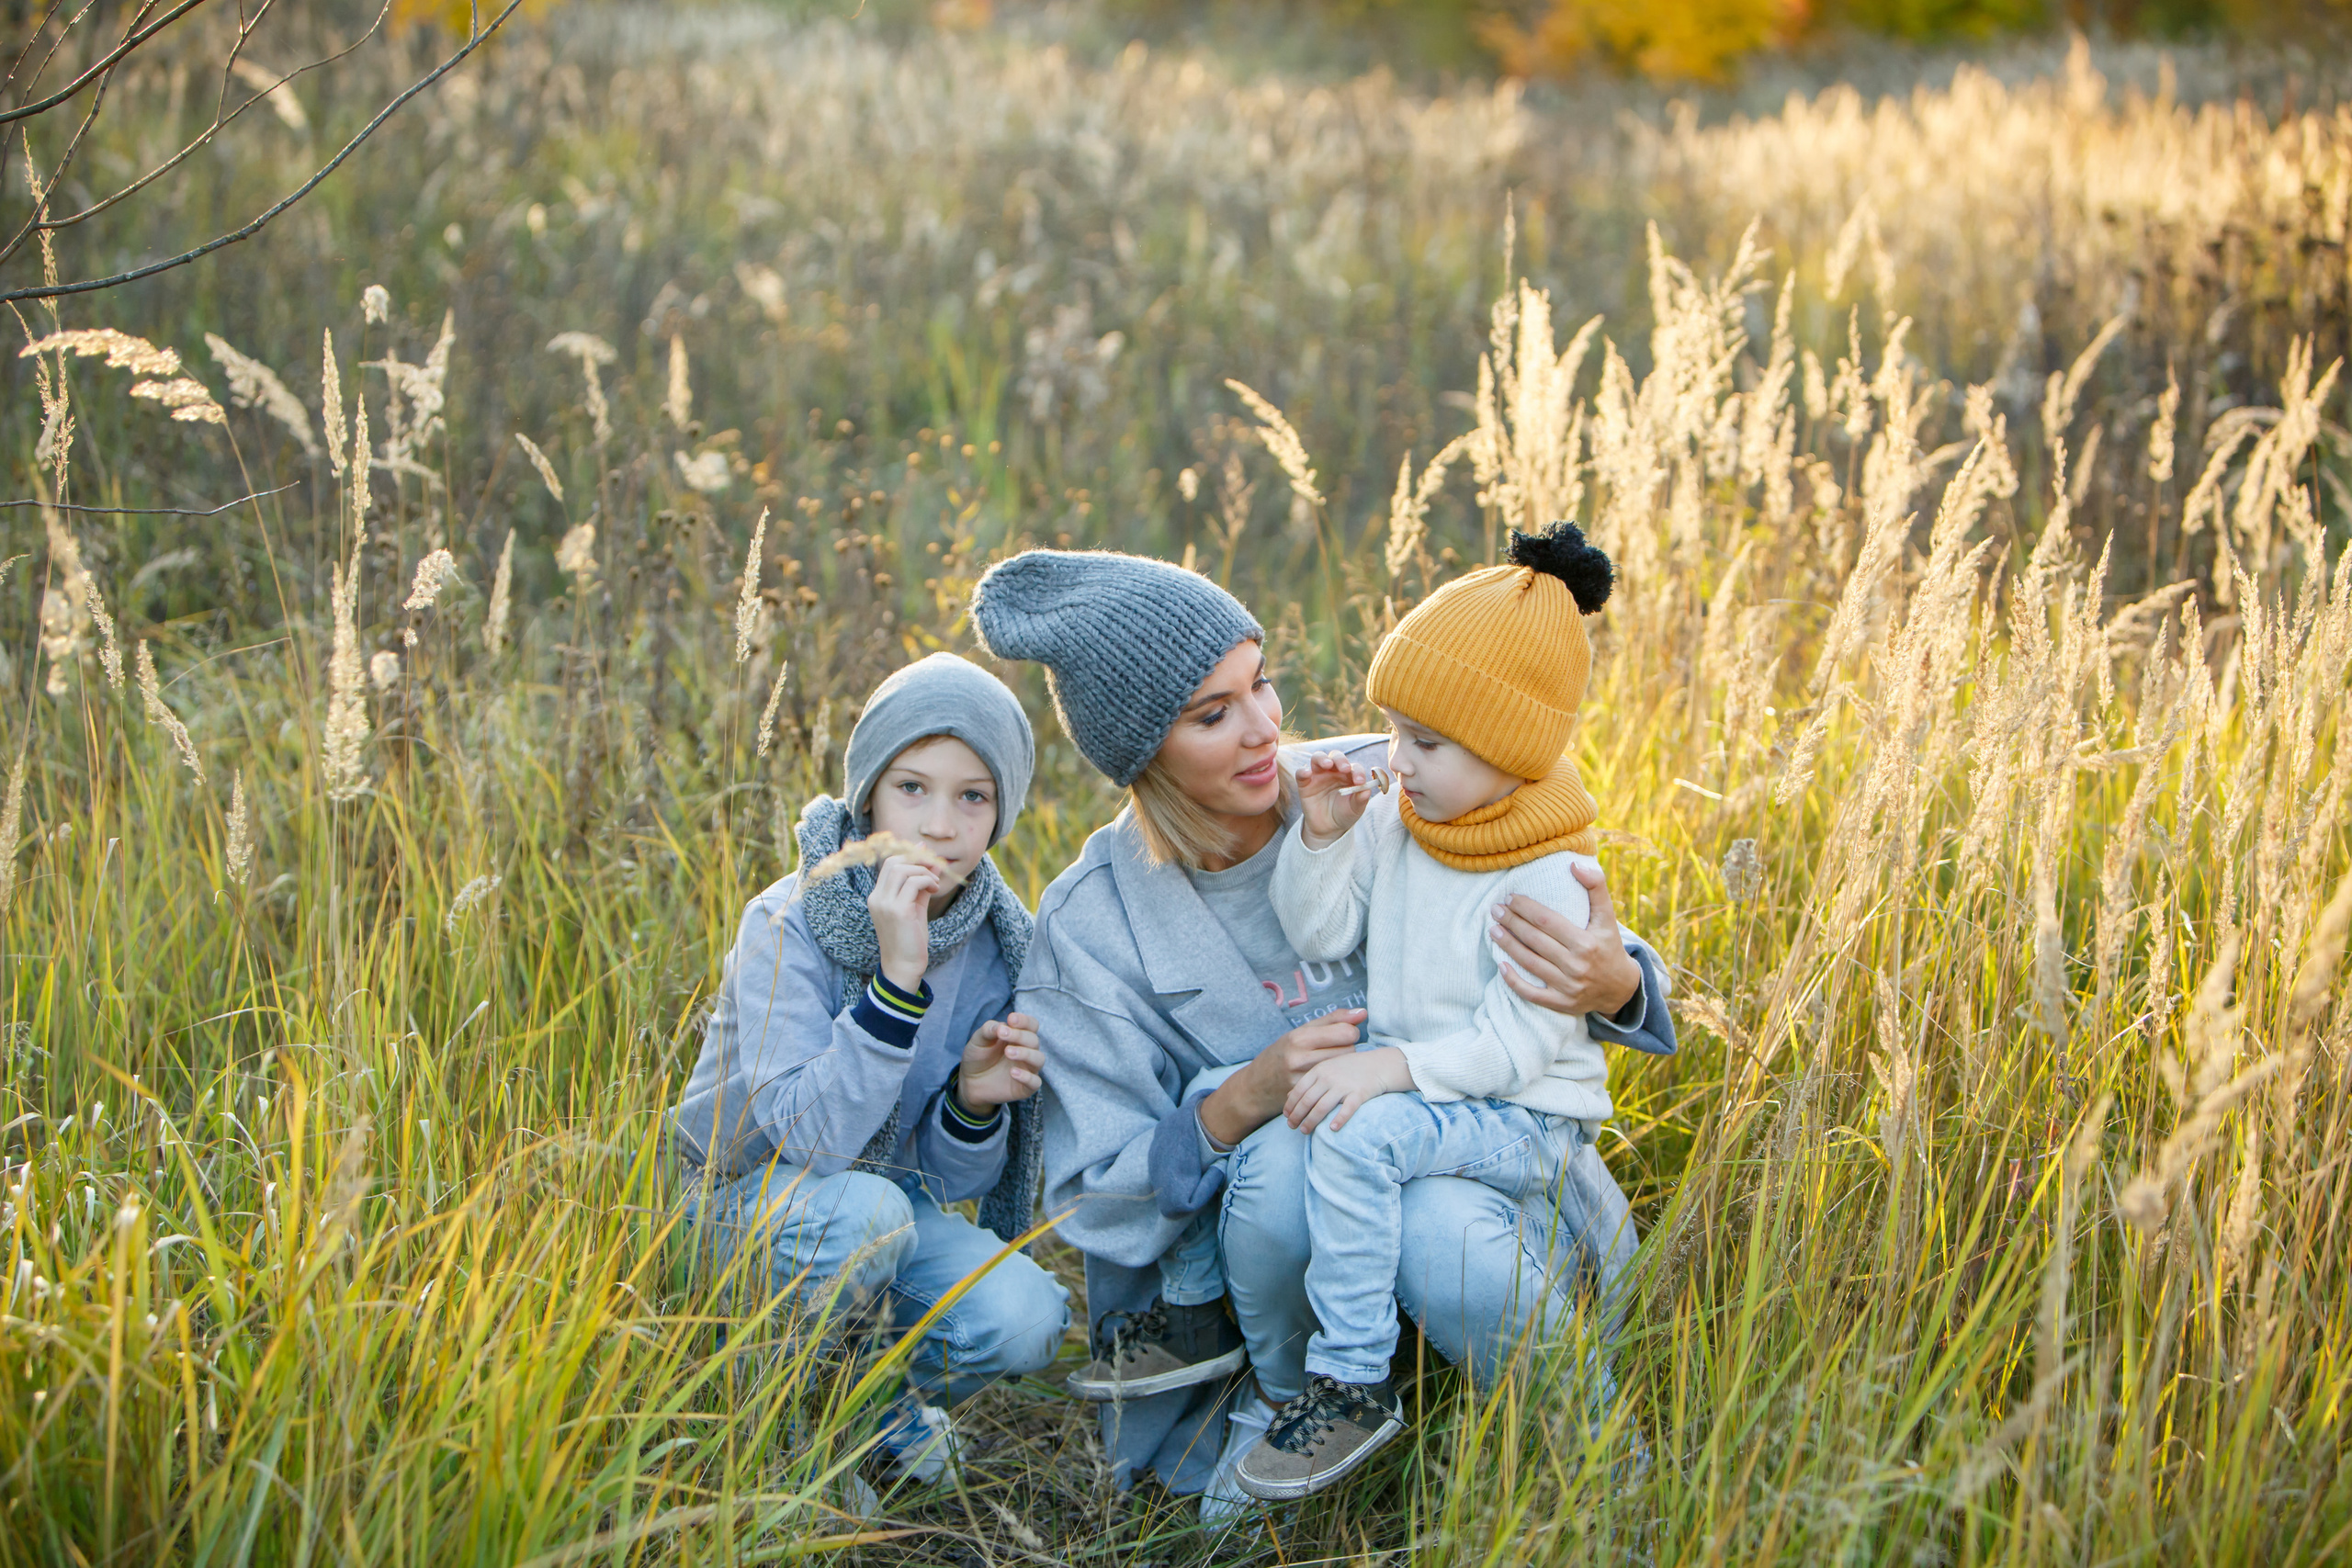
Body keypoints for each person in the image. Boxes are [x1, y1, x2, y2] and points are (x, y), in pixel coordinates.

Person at [967, 549, 1673, 1517]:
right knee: (1286, 1156)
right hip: (1263, 1279)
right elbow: (1098, 1199)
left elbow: (1563, 916)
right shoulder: (1095, 924)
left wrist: (1619, 981)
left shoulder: (1388, 778)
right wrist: (1234, 1104)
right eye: (1213, 715)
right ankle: (1292, 1409)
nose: (1265, 728)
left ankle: (1588, 1465)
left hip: (1479, 1203)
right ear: (1141, 751)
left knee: (1436, 1230)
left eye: (1260, 683)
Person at [1232, 520, 1635, 1500]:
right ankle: (1339, 1373)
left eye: (1426, 742)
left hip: (1526, 1120)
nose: (1397, 760)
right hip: (1446, 1109)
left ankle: (1352, 1379)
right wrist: (1324, 841)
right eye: (1395, 732)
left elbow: (1520, 1039)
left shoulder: (1546, 872)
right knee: (1347, 1131)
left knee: (1360, 1131)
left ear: (1510, 749)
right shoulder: (1406, 821)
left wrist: (1391, 1068)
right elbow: (1319, 934)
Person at [669, 653, 1070, 1487]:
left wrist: (970, 1103)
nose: (939, 825)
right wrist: (896, 984)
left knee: (1026, 1315)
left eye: (974, 796)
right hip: (733, 1208)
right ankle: (771, 1416)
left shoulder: (1000, 943)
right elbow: (811, 1142)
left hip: (876, 1210)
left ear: (1001, 814)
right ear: (869, 800)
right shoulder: (791, 919)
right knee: (867, 1213)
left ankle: (863, 1391)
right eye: (912, 788)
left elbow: (937, 1175)